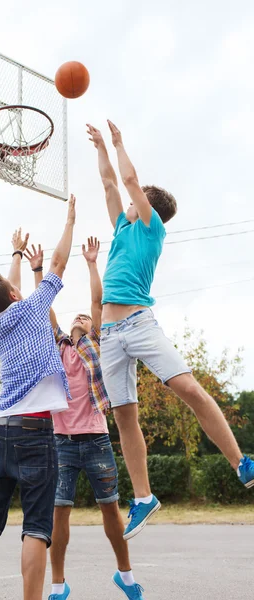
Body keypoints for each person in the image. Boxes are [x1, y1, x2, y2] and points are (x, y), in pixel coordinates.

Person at [87, 120, 254, 541]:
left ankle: (241, 463)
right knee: (124, 416)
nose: (124, 203)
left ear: (145, 206)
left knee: (190, 390)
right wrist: (100, 147)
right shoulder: (123, 228)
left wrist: (121, 141)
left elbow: (127, 180)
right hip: (109, 335)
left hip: (140, 324)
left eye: (134, 200)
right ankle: (143, 498)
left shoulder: (150, 226)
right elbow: (110, 184)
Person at [0, 196, 76, 600]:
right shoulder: (30, 310)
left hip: (0, 428)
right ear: (15, 294)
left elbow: (3, 291)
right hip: (35, 428)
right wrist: (70, 221)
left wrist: (14, 254)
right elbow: (60, 264)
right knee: (36, 528)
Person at [25, 237, 145, 600]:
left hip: (94, 439)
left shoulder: (95, 342)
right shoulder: (58, 346)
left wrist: (92, 263)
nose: (79, 317)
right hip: (61, 443)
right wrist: (38, 271)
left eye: (83, 317)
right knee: (58, 516)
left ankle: (125, 576)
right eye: (74, 317)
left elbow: (96, 302)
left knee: (110, 510)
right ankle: (59, 586)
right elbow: (45, 308)